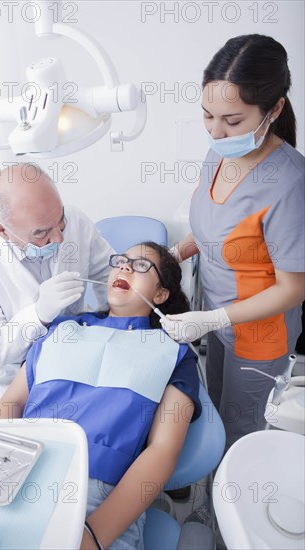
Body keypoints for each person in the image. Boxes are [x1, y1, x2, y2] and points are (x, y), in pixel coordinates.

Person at [0, 242, 201, 550]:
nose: (125, 267)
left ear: (160, 295)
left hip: (97, 498)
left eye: (142, 265)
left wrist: (94, 535)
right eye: (121, 261)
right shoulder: (62, 328)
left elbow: (163, 450)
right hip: (20, 474)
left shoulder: (175, 351)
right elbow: (11, 403)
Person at [163, 34, 305, 449]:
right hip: (218, 323)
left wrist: (214, 319)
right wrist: (174, 254)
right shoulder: (219, 153)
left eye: (233, 120)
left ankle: (229, 505)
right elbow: (218, 227)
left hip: (259, 337)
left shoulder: (288, 184)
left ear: (274, 109)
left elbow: (294, 287)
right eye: (208, 115)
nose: (217, 131)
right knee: (216, 405)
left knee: (239, 432)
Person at [0, 163, 114, 410]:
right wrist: (36, 317)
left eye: (61, 222)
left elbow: (109, 276)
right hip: (9, 374)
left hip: (77, 347)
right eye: (41, 233)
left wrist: (112, 325)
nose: (59, 238)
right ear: (1, 230)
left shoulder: (77, 219)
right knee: (10, 442)